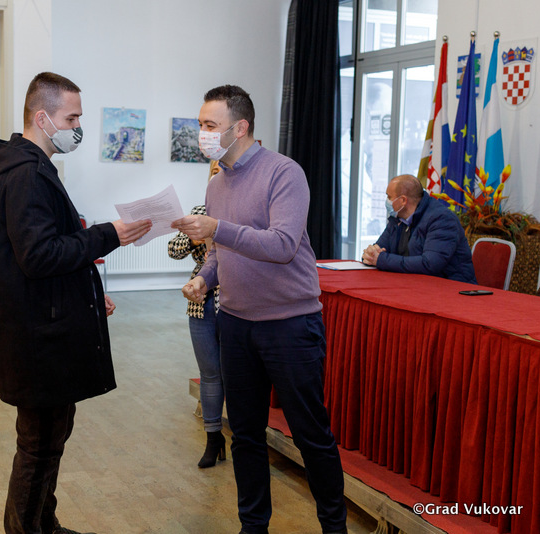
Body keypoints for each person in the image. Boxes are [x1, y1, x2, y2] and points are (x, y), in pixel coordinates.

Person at [172, 85, 347, 534]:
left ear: (240, 127)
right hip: (235, 323)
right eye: (200, 125)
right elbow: (218, 253)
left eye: (210, 125)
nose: (202, 134)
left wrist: (217, 227)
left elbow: (283, 245)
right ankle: (253, 527)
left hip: (289, 325)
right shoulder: (216, 184)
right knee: (246, 434)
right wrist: (204, 278)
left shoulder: (284, 173)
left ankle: (334, 527)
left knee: (310, 435)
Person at [0, 72, 151, 534]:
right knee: (38, 447)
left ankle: (44, 524)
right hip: (38, 341)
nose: (78, 127)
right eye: (72, 118)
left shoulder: (34, 169)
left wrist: (87, 290)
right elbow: (39, 256)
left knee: (50, 440)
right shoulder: (25, 175)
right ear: (42, 118)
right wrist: (108, 234)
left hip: (43, 330)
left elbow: (48, 249)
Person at [167, 162, 225, 469]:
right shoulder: (199, 210)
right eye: (213, 170)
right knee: (210, 374)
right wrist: (195, 237)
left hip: (236, 303)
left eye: (223, 168)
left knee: (236, 375)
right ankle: (213, 438)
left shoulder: (244, 213)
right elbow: (173, 249)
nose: (218, 174)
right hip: (200, 302)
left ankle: (243, 439)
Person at [361, 174, 477, 284]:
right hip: (414, 285)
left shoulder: (442, 219)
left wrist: (381, 260)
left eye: (389, 197)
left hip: (452, 289)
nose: (387, 201)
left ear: (403, 200)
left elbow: (429, 264)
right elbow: (378, 250)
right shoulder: (397, 218)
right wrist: (370, 254)